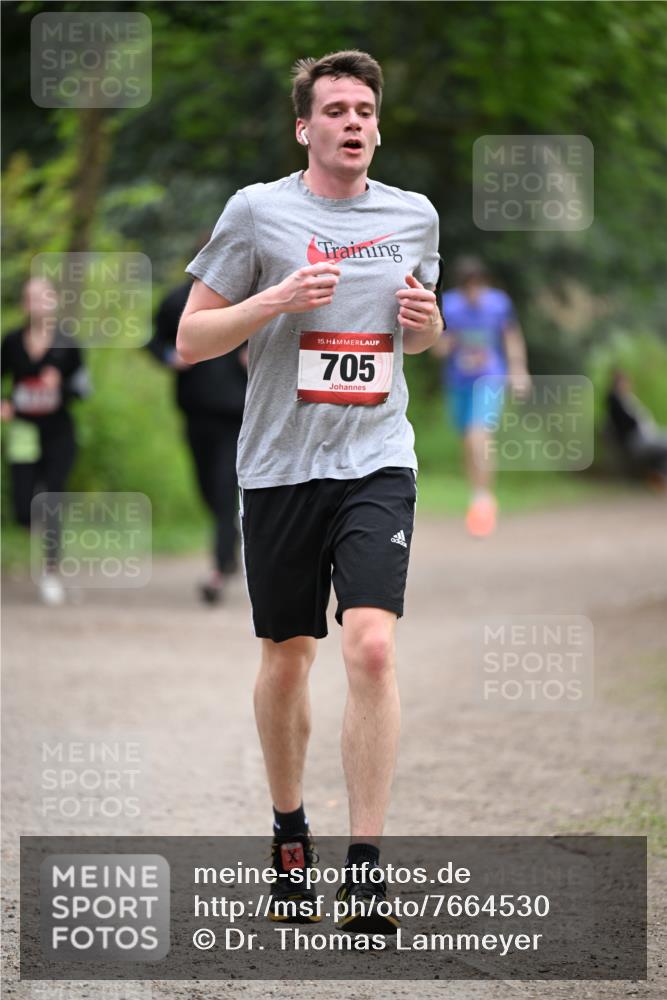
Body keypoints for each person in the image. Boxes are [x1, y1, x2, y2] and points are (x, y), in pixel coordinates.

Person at [176, 50, 442, 933]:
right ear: (305, 127)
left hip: (376, 456)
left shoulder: (413, 217)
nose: (354, 121)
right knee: (289, 656)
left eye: (365, 108)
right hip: (281, 465)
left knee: (370, 648)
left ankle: (364, 870)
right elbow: (191, 339)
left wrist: (427, 328)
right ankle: (290, 832)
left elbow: (418, 335)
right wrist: (274, 301)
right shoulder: (258, 212)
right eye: (336, 109)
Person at [147, 277, 247, 604]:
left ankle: (218, 571)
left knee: (223, 489)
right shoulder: (177, 300)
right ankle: (229, 540)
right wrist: (167, 356)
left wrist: (255, 354)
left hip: (239, 415)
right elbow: (152, 339)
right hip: (195, 413)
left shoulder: (249, 298)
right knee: (207, 489)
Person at [1, 277, 90, 605]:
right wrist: (5, 403)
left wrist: (60, 386)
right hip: (24, 430)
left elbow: (84, 388)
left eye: (44, 296)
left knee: (52, 499)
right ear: (25, 304)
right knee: (24, 507)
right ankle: (34, 529)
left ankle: (51, 571)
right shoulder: (11, 342)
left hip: (59, 433)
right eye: (31, 297)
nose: (38, 303)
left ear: (54, 301)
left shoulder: (68, 342)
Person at [434, 256, 530, 537]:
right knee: (468, 441)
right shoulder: (449, 305)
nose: (474, 292)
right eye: (469, 287)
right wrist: (447, 344)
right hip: (459, 382)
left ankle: (483, 499)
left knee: (480, 434)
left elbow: (511, 337)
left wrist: (519, 370)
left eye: (478, 285)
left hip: (490, 379)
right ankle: (478, 493)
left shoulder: (498, 303)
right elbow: (436, 347)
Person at [605, 369, 667, 485]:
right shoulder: (616, 402)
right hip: (637, 441)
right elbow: (628, 422)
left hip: (646, 437)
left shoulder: (629, 400)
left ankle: (659, 475)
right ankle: (660, 475)